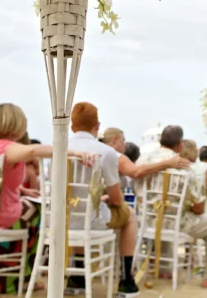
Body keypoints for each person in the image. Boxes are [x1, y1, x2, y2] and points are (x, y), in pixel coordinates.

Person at [0, 103, 94, 294]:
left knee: (31, 210)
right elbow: (31, 152)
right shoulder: (6, 147)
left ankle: (3, 276)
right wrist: (72, 152)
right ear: (19, 124)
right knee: (38, 214)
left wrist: (22, 190)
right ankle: (23, 277)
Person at [134, 125, 207, 288]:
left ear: (159, 141)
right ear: (179, 145)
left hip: (147, 221)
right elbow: (197, 206)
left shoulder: (142, 161)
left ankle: (164, 269)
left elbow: (137, 190)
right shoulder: (185, 167)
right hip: (176, 224)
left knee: (164, 213)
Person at [66, 104, 140, 297]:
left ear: (72, 127)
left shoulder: (58, 146)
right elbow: (116, 199)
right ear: (97, 126)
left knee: (80, 212)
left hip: (60, 220)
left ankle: (77, 277)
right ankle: (126, 279)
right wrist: (106, 198)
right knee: (129, 215)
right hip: (91, 221)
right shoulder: (105, 152)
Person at [102, 127, 189, 191]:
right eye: (123, 140)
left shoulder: (102, 153)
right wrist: (167, 163)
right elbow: (136, 172)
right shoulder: (115, 156)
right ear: (114, 141)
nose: (124, 144)